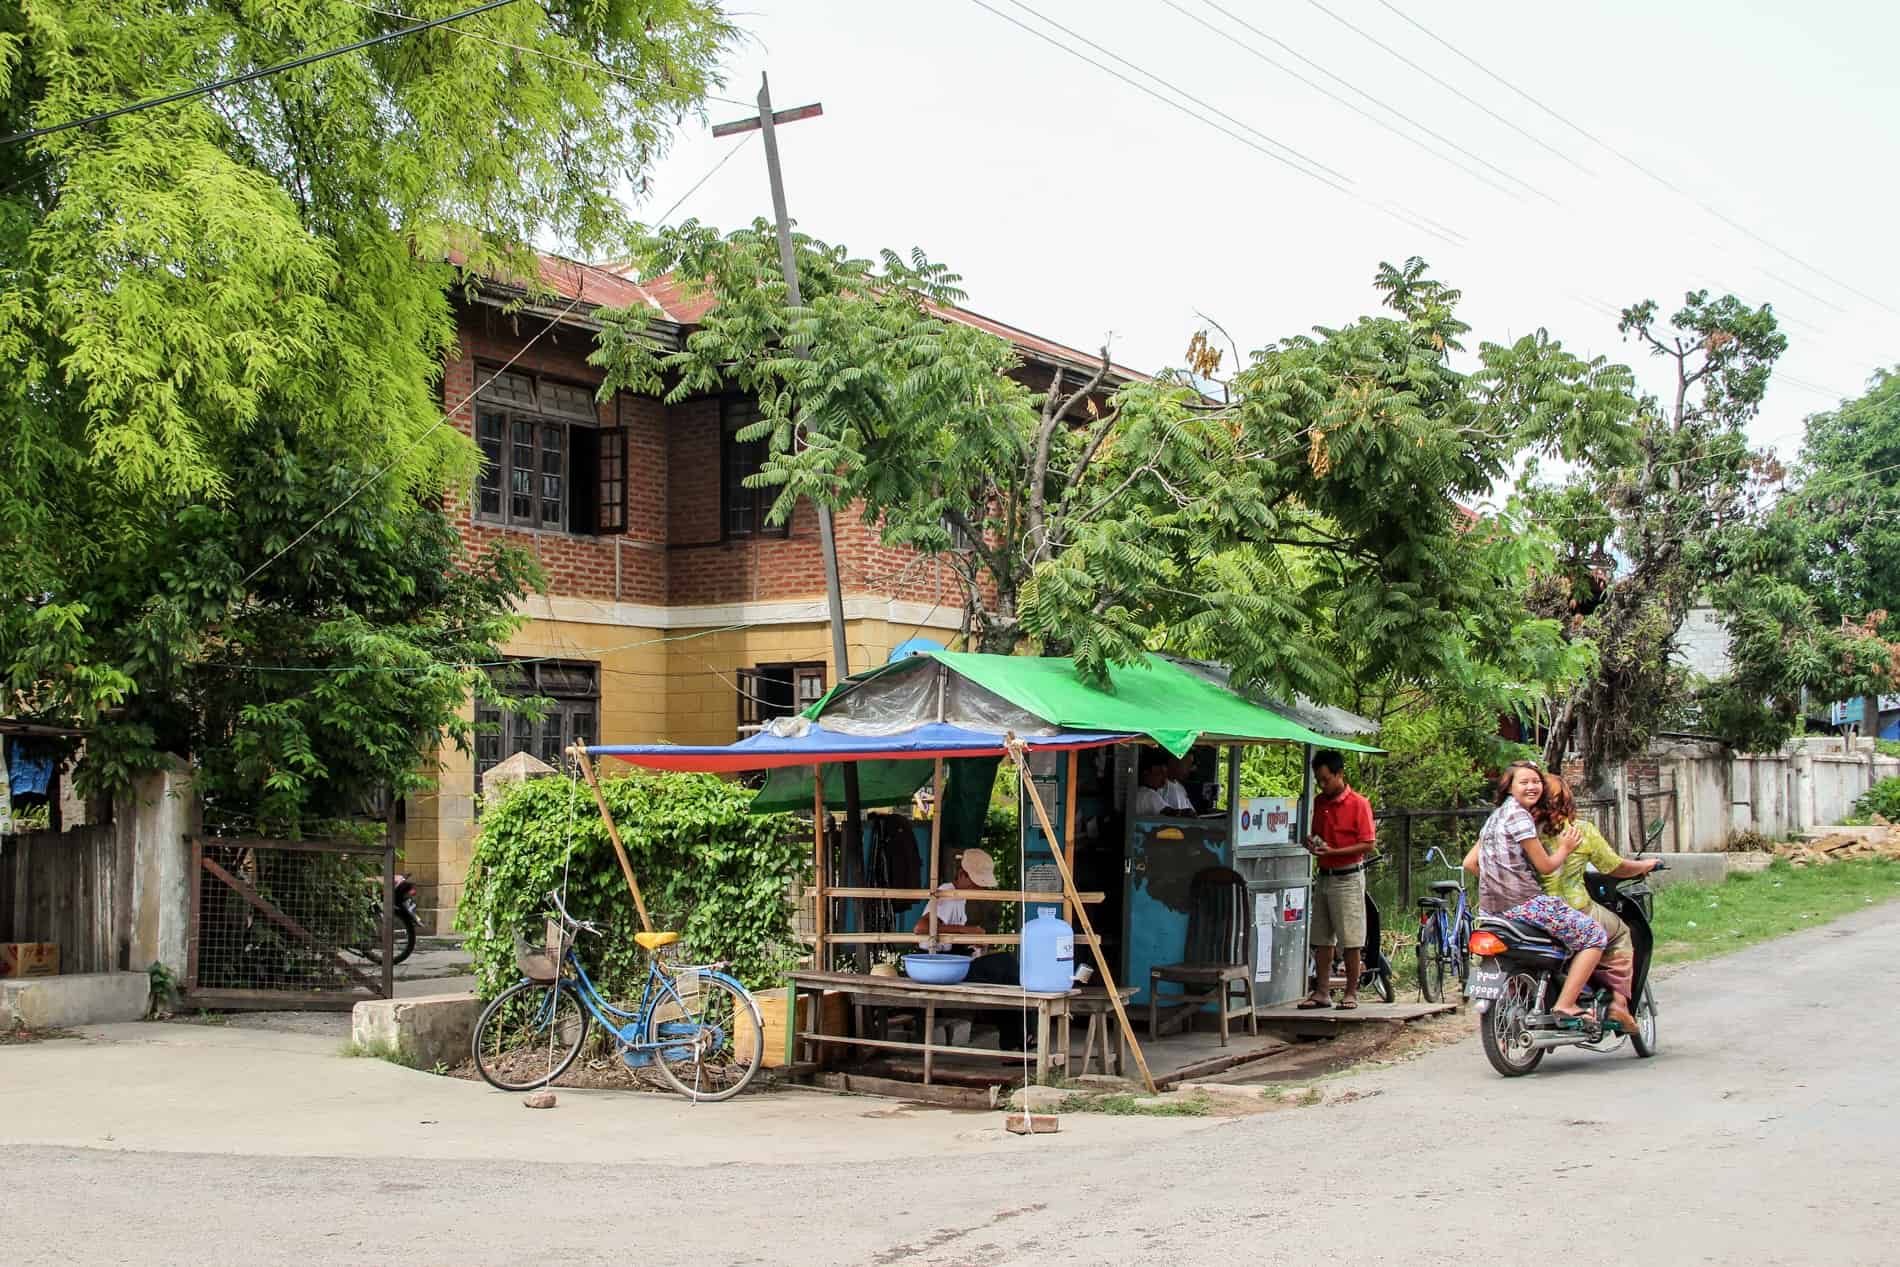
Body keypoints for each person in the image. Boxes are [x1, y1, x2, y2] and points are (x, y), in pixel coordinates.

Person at [1462, 761, 1606, 1026]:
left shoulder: (1494, 818)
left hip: (1490, 911)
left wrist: (1499, 881)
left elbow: (1470, 864)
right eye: (1524, 782)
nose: (1532, 786)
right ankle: (1566, 1003)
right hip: (1524, 904)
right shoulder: (1519, 816)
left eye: (1536, 781)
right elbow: (1546, 867)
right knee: (1594, 935)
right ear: (1509, 787)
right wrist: (1565, 847)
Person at [1534, 773, 1660, 1034]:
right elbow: (1614, 866)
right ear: (1566, 800)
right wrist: (1645, 865)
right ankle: (1619, 1003)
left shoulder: (1526, 831)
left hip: (1532, 910)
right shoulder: (1580, 831)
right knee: (1620, 932)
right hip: (1575, 906)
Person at [910, 848, 1027, 1050]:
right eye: (974, 882)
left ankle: (1016, 1041)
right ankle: (1014, 1042)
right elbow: (920, 927)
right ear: (962, 875)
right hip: (939, 967)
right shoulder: (947, 893)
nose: (977, 887)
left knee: (1005, 974)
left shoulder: (960, 897)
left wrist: (972, 939)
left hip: (951, 964)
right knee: (1005, 965)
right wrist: (968, 930)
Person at [1300, 749, 1377, 1010]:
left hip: (1348, 877)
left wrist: (1334, 852)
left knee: (1351, 939)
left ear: (1339, 774)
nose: (1323, 785)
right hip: (1324, 875)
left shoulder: (1359, 803)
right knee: (1322, 937)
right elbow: (1316, 834)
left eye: (1326, 779)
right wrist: (1313, 844)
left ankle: (1351, 992)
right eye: (1319, 780)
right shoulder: (1320, 803)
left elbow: (1368, 843)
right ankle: (1322, 991)